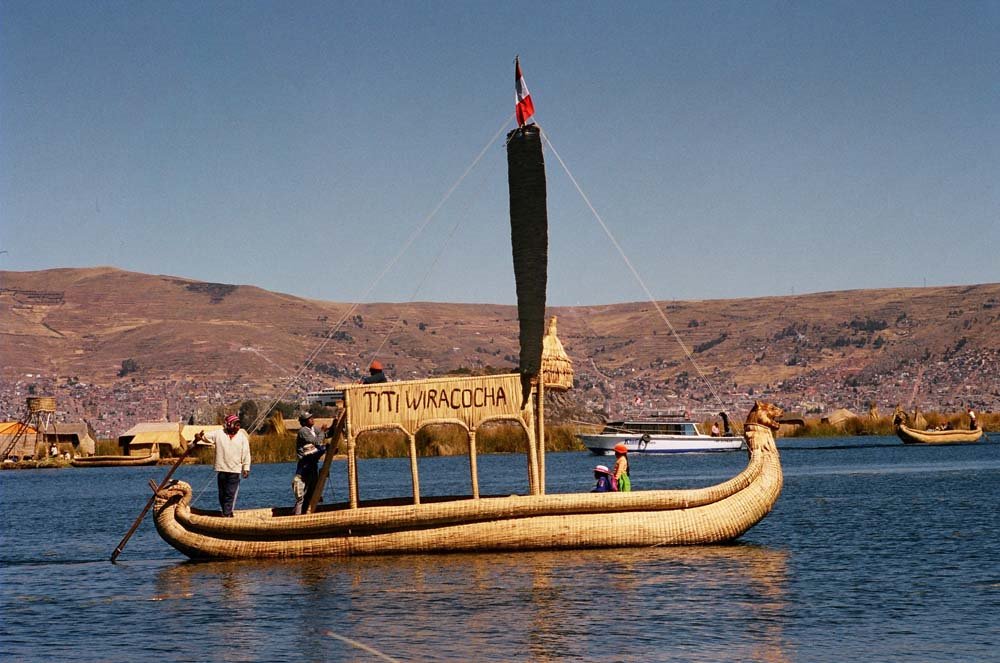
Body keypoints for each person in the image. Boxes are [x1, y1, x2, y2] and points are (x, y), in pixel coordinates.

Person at [193, 414, 251, 517]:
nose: (238, 427)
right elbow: (205, 437)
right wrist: (199, 436)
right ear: (229, 425)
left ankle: (227, 514)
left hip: (235, 470)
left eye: (239, 425)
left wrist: (246, 468)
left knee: (230, 493)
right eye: (235, 425)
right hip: (221, 469)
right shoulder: (219, 434)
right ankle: (226, 512)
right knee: (222, 494)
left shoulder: (242, 437)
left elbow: (246, 453)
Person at [293, 412, 327, 515]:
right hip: (305, 463)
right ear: (304, 422)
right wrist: (322, 431)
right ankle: (298, 514)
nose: (312, 419)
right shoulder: (303, 431)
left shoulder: (313, 429)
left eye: (312, 417)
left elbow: (325, 435)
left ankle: (307, 511)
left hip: (312, 462)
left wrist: (333, 426)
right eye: (309, 418)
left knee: (313, 489)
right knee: (303, 492)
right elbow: (316, 441)